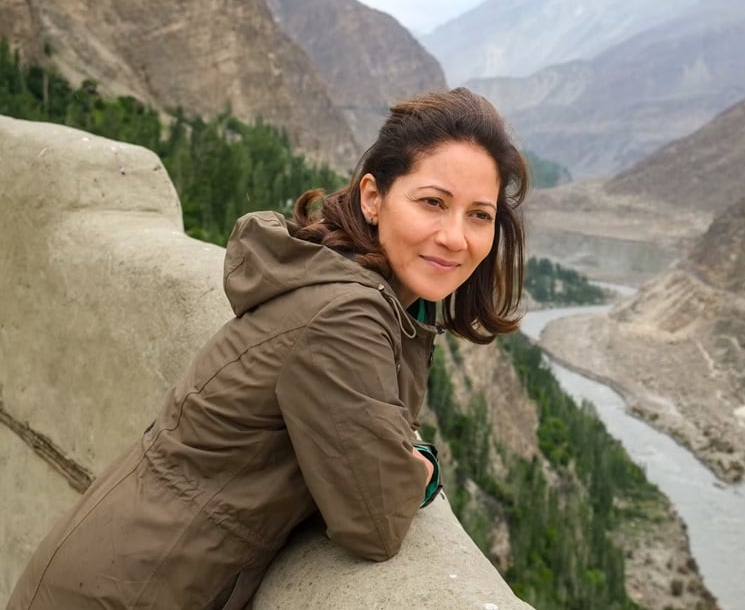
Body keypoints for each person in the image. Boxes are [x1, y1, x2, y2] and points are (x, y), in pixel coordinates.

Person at [7, 87, 529, 610]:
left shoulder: (345, 284)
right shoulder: (346, 315)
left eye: (479, 215)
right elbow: (377, 520)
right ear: (373, 198)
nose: (455, 237)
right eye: (433, 202)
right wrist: (423, 467)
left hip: (118, 568)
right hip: (126, 592)